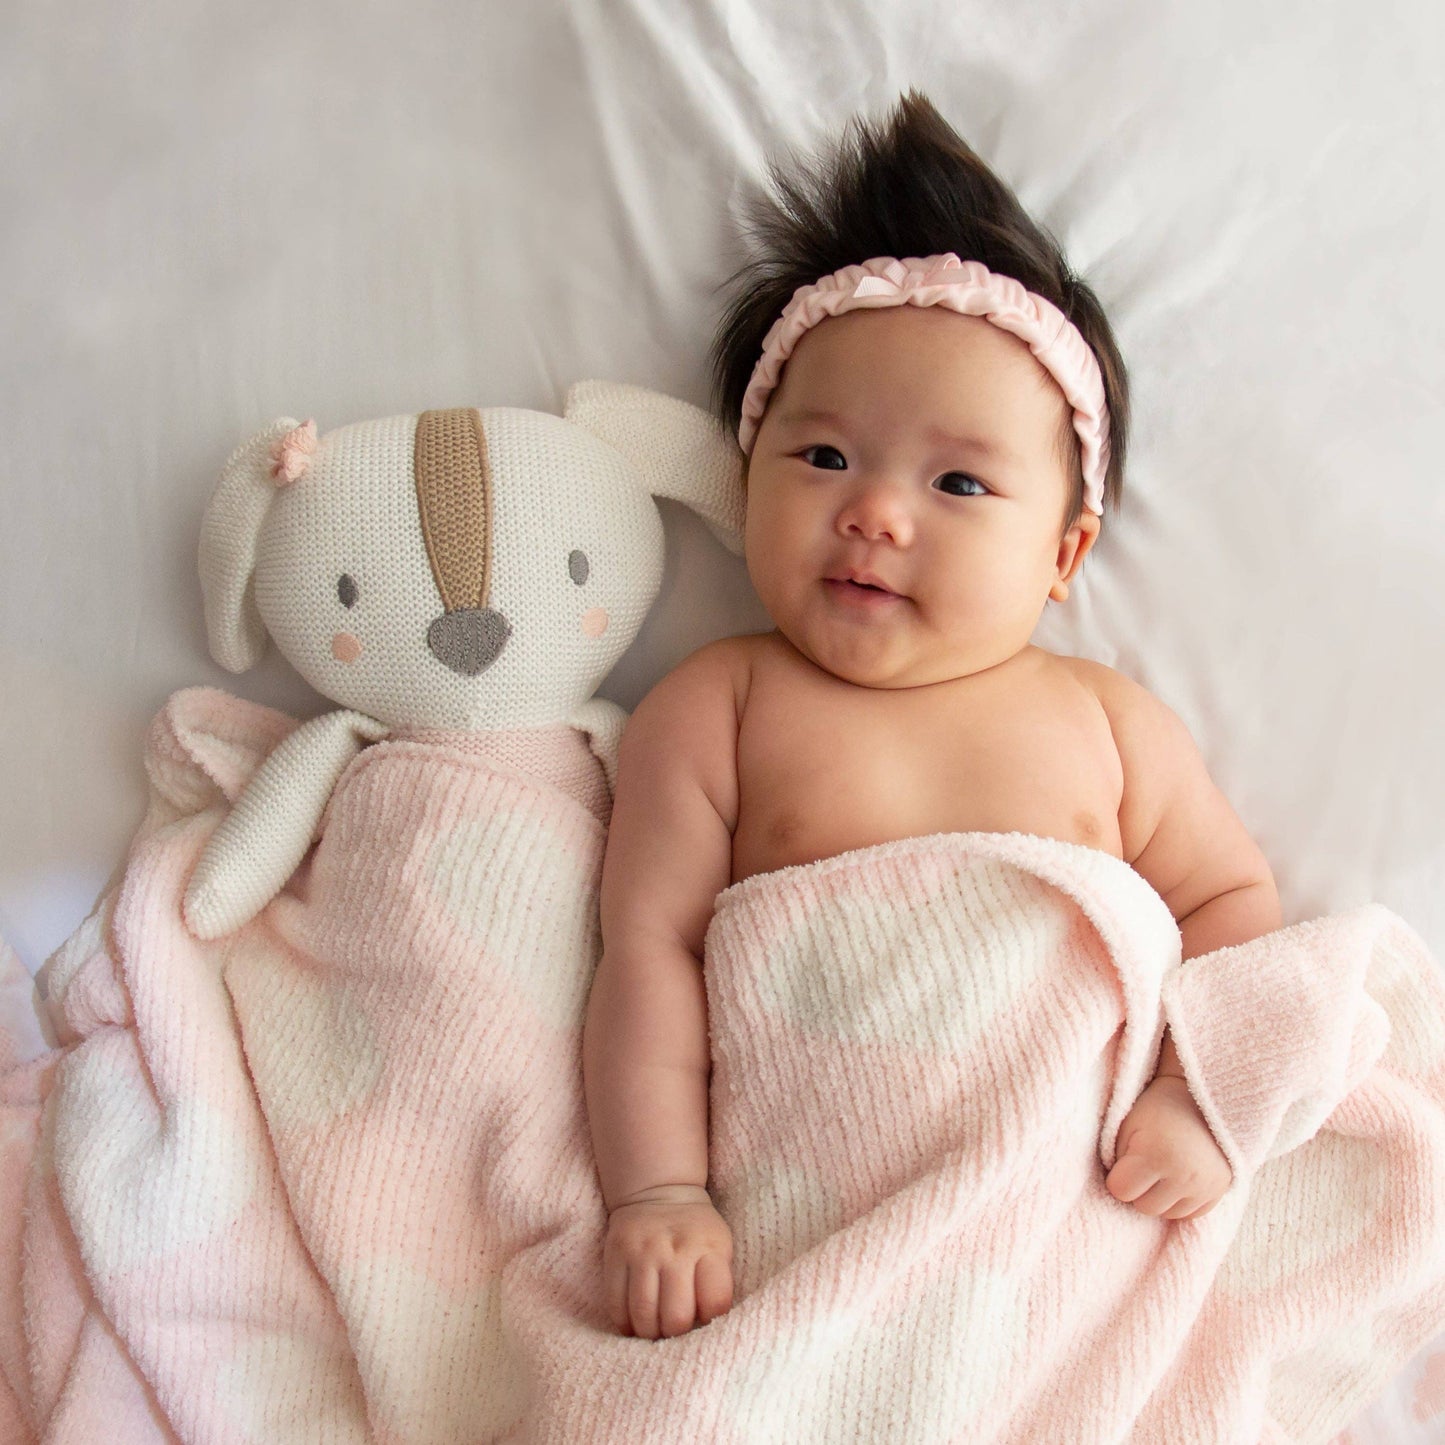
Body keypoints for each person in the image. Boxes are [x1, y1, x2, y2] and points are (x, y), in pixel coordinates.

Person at [581, 92, 1281, 1342]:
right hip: (799, 1224)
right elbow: (649, 951)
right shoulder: (716, 705)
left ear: (1062, 553)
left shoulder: (1106, 722)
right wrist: (659, 1189)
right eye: (822, 458)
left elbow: (1230, 904)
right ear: (746, 479)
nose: (874, 513)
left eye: (957, 480)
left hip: (1045, 1236)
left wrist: (1195, 1093)